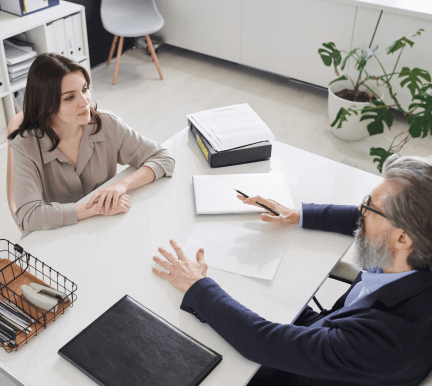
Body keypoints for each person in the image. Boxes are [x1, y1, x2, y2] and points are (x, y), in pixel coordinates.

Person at [152, 154, 432, 386]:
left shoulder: (389, 340)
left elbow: (260, 343)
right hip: (331, 329)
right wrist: (298, 215)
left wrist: (196, 286)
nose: (360, 209)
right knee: (249, 291)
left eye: (370, 206)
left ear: (403, 239)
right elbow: (366, 218)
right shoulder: (415, 247)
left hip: (305, 373)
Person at [8, 53, 175, 235]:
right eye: (70, 97)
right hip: (59, 234)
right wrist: (95, 208)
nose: (84, 102)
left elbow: (163, 157)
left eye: (85, 89)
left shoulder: (106, 124)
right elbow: (28, 216)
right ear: (47, 105)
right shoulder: (26, 145)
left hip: (108, 227)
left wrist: (121, 185)